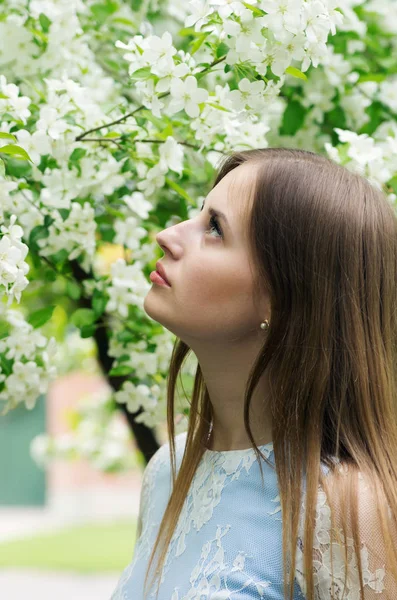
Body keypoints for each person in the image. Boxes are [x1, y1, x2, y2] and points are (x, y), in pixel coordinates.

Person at [111, 148, 397, 600]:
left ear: (283, 297)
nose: (167, 235)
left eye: (215, 229)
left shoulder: (344, 504)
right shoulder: (167, 470)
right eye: (198, 213)